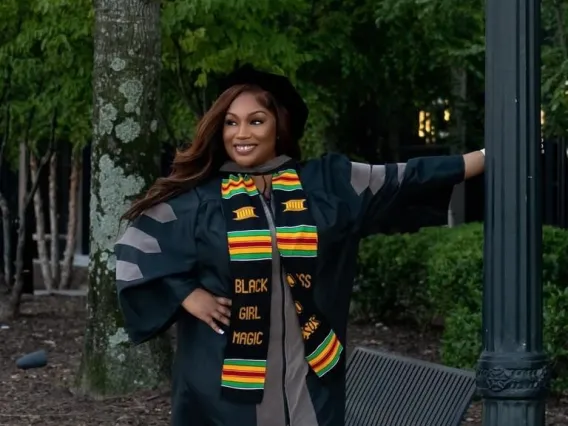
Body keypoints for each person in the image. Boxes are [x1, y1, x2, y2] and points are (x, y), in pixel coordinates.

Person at [114, 65, 485, 426]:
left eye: (256, 120)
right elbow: (137, 248)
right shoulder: (198, 200)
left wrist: (488, 156)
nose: (241, 133)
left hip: (311, 371)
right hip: (222, 379)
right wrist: (186, 294)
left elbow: (405, 178)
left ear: (279, 125)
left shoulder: (327, 184)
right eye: (231, 122)